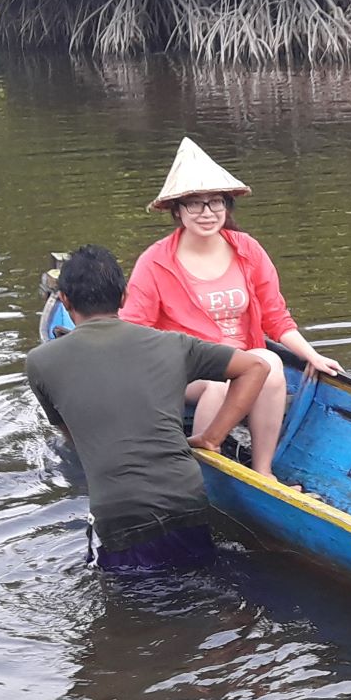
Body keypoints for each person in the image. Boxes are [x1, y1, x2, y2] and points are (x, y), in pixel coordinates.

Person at [27, 245, 269, 571]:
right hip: (186, 500)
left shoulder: (41, 363)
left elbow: (73, 434)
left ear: (66, 301)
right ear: (125, 297)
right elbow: (256, 368)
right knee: (196, 583)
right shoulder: (173, 344)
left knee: (127, 605)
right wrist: (212, 437)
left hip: (120, 514)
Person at [120, 138, 342, 477]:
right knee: (220, 380)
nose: (207, 213)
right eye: (194, 204)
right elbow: (134, 329)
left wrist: (312, 356)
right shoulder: (155, 261)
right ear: (177, 211)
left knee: (267, 362)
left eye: (215, 203)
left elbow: (276, 317)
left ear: (227, 206)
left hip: (245, 362)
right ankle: (207, 467)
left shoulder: (246, 249)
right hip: (186, 369)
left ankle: (263, 472)